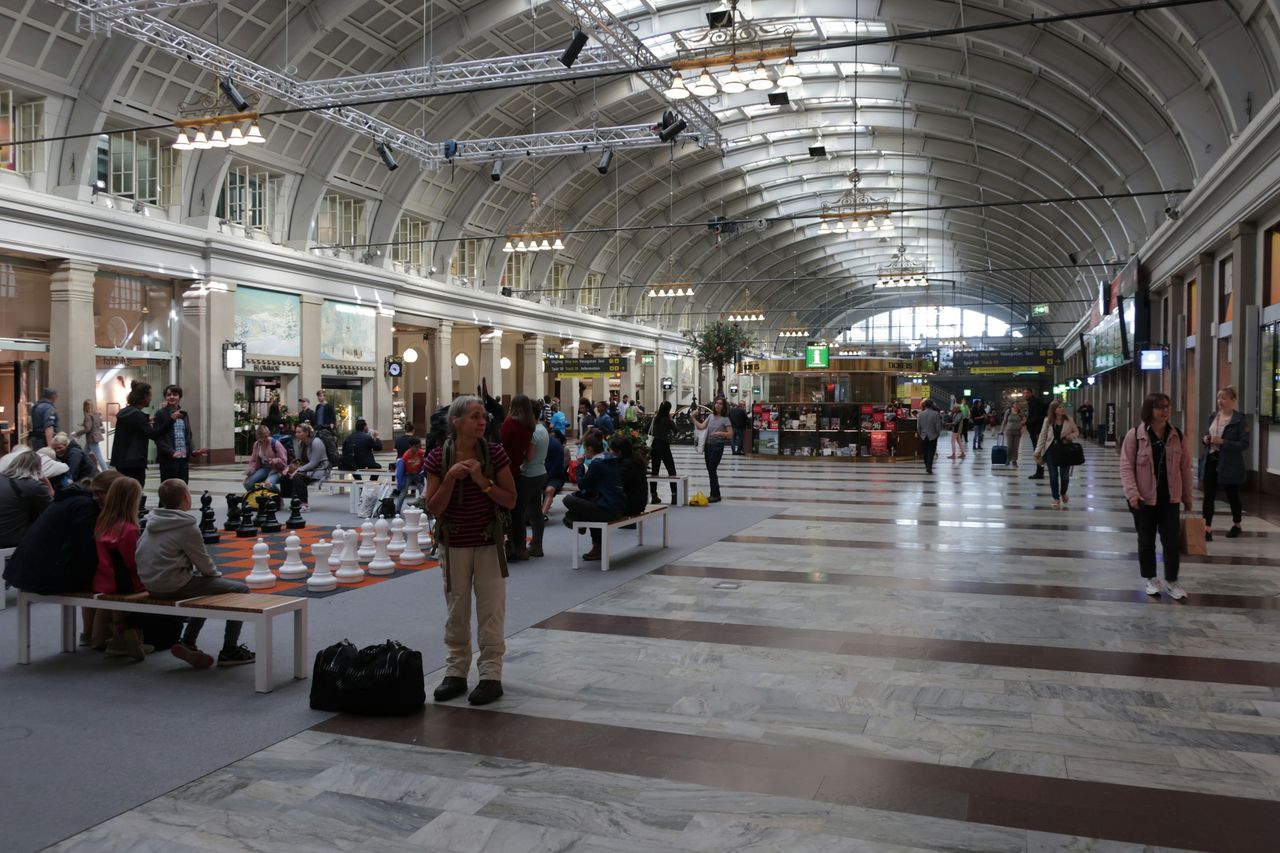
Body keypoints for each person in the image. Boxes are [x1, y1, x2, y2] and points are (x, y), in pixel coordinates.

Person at [425, 395, 517, 707]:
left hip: (489, 542)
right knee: (457, 609)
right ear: (457, 421)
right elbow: (434, 506)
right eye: (475, 417)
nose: (482, 422)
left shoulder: (494, 453)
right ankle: (455, 672)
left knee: (491, 608)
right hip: (454, 545)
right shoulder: (438, 457)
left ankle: (491, 675)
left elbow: (510, 500)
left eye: (483, 417)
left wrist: (481, 480)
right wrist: (451, 478)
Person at [137, 479, 256, 668]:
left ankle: (189, 642)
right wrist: (215, 576)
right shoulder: (186, 525)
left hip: (151, 584)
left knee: (205, 589)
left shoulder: (152, 520)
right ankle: (230, 650)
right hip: (173, 585)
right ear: (186, 497)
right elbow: (204, 563)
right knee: (240, 589)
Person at [1120, 392, 1193, 599]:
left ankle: (1172, 580)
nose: (1165, 411)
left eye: (1167, 406)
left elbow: (1185, 468)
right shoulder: (1135, 435)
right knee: (1146, 540)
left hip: (1170, 498)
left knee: (1171, 541)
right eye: (1160, 407)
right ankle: (1151, 578)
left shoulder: (1177, 435)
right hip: (1143, 499)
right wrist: (1132, 493)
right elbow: (1126, 467)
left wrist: (1187, 498)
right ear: (1149, 410)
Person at [93, 476, 147, 661]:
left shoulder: (102, 522)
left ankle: (117, 634)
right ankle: (127, 633)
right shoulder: (129, 529)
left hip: (103, 579)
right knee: (154, 590)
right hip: (123, 582)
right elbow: (133, 562)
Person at [562, 432, 624, 561]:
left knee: (568, 499)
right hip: (617, 504)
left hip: (607, 508)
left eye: (585, 449)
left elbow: (582, 485)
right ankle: (596, 546)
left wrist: (579, 465)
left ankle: (578, 521)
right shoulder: (610, 459)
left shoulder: (597, 463)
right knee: (584, 501)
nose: (584, 452)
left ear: (590, 448)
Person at [1199, 385, 1249, 541]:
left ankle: (1237, 524)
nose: (1220, 401)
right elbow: (1208, 435)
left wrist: (1223, 442)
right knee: (1208, 495)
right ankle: (1207, 528)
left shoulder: (1239, 419)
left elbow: (1244, 444)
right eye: (1219, 398)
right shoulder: (1213, 416)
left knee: (1232, 495)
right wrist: (1206, 439)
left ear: (1232, 400)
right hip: (1211, 460)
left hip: (1229, 463)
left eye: (1224, 398)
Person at [110, 380, 161, 486]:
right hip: (134, 461)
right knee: (135, 492)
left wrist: (146, 419)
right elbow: (153, 434)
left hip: (122, 460)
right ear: (144, 396)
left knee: (124, 492)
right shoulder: (137, 415)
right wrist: (170, 420)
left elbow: (135, 425)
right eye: (149, 395)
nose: (150, 398)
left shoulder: (126, 412)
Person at [0, 450, 55, 547]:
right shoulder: (33, 486)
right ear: (37, 468)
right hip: (13, 539)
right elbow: (51, 511)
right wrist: (49, 487)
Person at [152, 385, 204, 483]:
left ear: (180, 397)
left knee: (182, 487)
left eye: (175, 394)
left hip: (183, 459)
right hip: (168, 460)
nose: (171, 397)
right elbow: (158, 438)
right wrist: (171, 452)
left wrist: (193, 451)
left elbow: (188, 435)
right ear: (165, 397)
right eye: (168, 395)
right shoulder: (160, 414)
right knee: (169, 489)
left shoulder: (184, 414)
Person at [515, 410, 549, 559]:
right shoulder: (543, 429)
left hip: (529, 474)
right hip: (541, 472)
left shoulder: (533, 433)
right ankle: (537, 545)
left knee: (520, 512)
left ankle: (521, 547)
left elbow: (529, 456)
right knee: (536, 511)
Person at [1034, 400, 1080, 509]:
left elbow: (1076, 432)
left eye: (1062, 407)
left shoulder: (1069, 420)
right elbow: (1043, 436)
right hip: (1051, 450)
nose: (1062, 409)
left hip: (1065, 450)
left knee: (1065, 476)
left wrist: (1070, 436)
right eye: (1059, 407)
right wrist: (1037, 451)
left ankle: (1063, 493)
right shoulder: (1048, 421)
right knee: (1053, 475)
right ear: (1054, 410)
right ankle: (1056, 497)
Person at [281, 423, 329, 511]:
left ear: (307, 433)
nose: (296, 434)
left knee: (298, 477)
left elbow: (314, 463)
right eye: (296, 432)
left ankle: (304, 504)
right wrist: (288, 468)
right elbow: (298, 460)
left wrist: (298, 470)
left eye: (299, 432)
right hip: (306, 469)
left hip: (320, 469)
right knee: (286, 475)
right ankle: (295, 501)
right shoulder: (301, 443)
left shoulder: (316, 442)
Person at [697, 397, 733, 503]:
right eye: (716, 403)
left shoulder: (725, 419)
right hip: (708, 446)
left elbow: (730, 434)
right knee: (710, 470)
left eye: (720, 404)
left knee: (712, 469)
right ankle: (715, 493)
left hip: (717, 446)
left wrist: (720, 433)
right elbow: (702, 426)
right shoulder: (710, 416)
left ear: (724, 406)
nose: (718, 405)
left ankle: (715, 494)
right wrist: (693, 418)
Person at [611, 435, 648, 526]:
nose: (610, 452)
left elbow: (617, 484)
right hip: (637, 501)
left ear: (619, 452)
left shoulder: (628, 465)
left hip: (632, 504)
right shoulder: (633, 459)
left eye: (611, 450)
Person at [647, 401, 679, 505]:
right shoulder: (667, 420)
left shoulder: (655, 419)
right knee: (672, 471)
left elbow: (644, 429)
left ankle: (654, 495)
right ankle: (674, 496)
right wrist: (671, 419)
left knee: (654, 472)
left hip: (654, 446)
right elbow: (676, 430)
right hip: (664, 446)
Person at [243, 425, 288, 492]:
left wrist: (274, 461)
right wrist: (250, 471)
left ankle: (278, 498)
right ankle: (260, 497)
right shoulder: (257, 444)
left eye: (266, 436)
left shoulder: (275, 443)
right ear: (257, 437)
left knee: (268, 485)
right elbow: (253, 460)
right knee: (248, 484)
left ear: (269, 434)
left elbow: (284, 461)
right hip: (264, 468)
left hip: (277, 469)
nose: (263, 439)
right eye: (260, 437)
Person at [394, 436, 427, 514]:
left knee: (423, 491)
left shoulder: (420, 453)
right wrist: (401, 481)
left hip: (418, 474)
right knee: (403, 492)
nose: (417, 449)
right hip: (408, 475)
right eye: (415, 447)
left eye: (419, 447)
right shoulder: (406, 456)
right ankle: (397, 510)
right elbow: (402, 469)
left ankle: (424, 509)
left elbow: (424, 461)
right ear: (410, 446)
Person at [542, 428, 568, 519]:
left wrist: (545, 479)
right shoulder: (535, 443)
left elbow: (557, 468)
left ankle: (542, 516)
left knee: (549, 490)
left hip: (555, 476)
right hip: (539, 475)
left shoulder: (556, 445)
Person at [74, 398, 106, 473]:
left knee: (98, 456)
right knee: (84, 454)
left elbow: (88, 428)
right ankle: (79, 468)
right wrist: (83, 424)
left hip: (91, 438)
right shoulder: (97, 414)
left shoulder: (88, 416)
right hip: (96, 437)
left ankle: (106, 471)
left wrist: (77, 433)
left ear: (84, 406)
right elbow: (98, 425)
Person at [916, 399, 942, 474]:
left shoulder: (920, 414)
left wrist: (921, 434)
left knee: (925, 452)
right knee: (931, 451)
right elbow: (938, 426)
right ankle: (929, 467)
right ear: (931, 405)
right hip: (933, 435)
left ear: (925, 405)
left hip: (924, 436)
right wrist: (937, 434)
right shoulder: (936, 414)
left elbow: (918, 427)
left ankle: (927, 465)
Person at [1026, 392, 1048, 479]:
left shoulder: (1035, 403)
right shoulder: (1034, 402)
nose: (1025, 395)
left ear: (1031, 393)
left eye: (1026, 393)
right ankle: (1040, 471)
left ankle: (1040, 472)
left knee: (1038, 452)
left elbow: (1036, 418)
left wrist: (1026, 422)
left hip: (1036, 431)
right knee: (1038, 452)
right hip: (1036, 431)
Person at [1001, 402, 1026, 467]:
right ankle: (1008, 459)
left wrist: (1022, 424)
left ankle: (1014, 460)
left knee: (1015, 447)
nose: (1016, 406)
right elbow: (1004, 420)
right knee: (1010, 446)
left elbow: (1025, 421)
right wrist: (1002, 430)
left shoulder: (1020, 413)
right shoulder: (1008, 411)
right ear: (1012, 405)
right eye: (1015, 405)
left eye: (1017, 405)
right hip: (1009, 431)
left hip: (1017, 432)